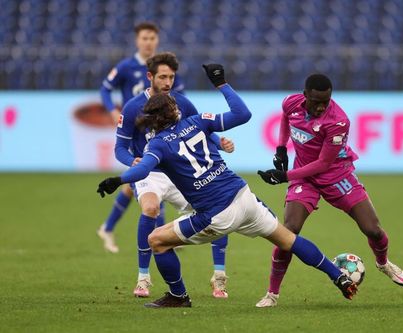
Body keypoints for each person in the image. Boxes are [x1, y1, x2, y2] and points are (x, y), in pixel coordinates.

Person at [96, 64, 358, 308]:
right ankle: (339, 276)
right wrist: (222, 84)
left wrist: (117, 179)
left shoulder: (157, 145)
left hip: (217, 214)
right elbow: (242, 114)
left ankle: (178, 295)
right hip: (244, 196)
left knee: (157, 240)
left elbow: (142, 169)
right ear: (174, 112)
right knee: (288, 239)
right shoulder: (197, 121)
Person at [255, 73, 403, 307]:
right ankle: (272, 294)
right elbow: (286, 118)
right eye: (316, 101)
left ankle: (383, 263)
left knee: (373, 230)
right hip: (304, 179)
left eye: (326, 101)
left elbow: (324, 164)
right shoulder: (291, 103)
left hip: (337, 175)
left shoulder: (338, 121)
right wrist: (281, 148)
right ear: (305, 95)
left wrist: (285, 176)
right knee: (289, 231)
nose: (321, 107)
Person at [114, 52, 233, 298]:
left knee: (219, 207)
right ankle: (143, 279)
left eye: (171, 77)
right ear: (150, 77)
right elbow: (119, 148)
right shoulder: (133, 107)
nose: (168, 82)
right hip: (151, 173)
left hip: (180, 173)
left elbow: (199, 129)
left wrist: (219, 142)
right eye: (162, 77)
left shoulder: (182, 102)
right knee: (150, 209)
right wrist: (132, 160)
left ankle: (219, 277)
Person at [97, 22, 186, 254]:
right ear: (137, 41)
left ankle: (109, 227)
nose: (149, 42)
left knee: (143, 183)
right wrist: (112, 111)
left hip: (160, 128)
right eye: (145, 38)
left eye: (152, 38)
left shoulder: (164, 69)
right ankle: (158, 237)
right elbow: (105, 88)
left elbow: (180, 96)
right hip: (136, 129)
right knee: (148, 179)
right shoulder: (126, 67)